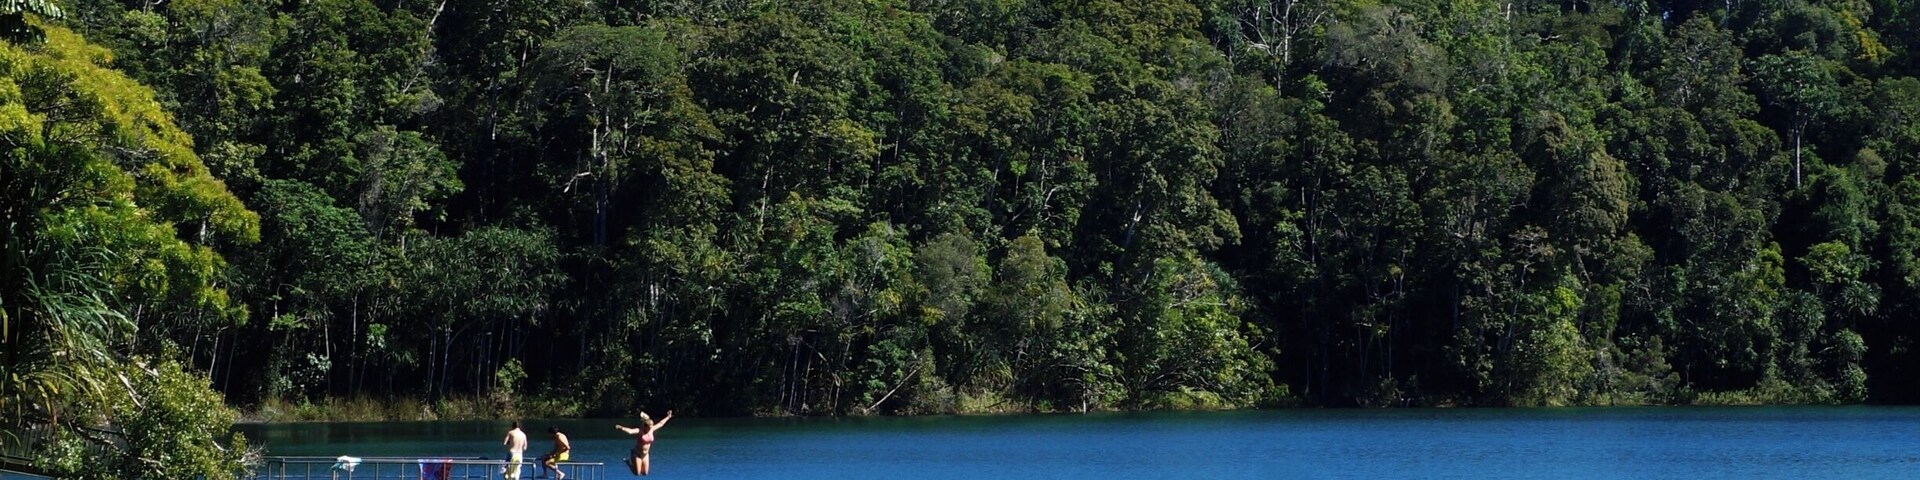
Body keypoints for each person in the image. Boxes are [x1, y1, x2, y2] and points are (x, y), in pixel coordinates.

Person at [615, 410, 673, 476]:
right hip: (637, 454)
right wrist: (621, 428)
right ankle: (628, 462)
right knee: (637, 473)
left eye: (651, 427)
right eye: (648, 428)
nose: (650, 429)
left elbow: (660, 424)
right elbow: (630, 431)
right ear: (645, 427)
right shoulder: (640, 431)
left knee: (645, 473)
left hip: (645, 455)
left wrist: (668, 417)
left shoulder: (651, 430)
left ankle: (635, 464)